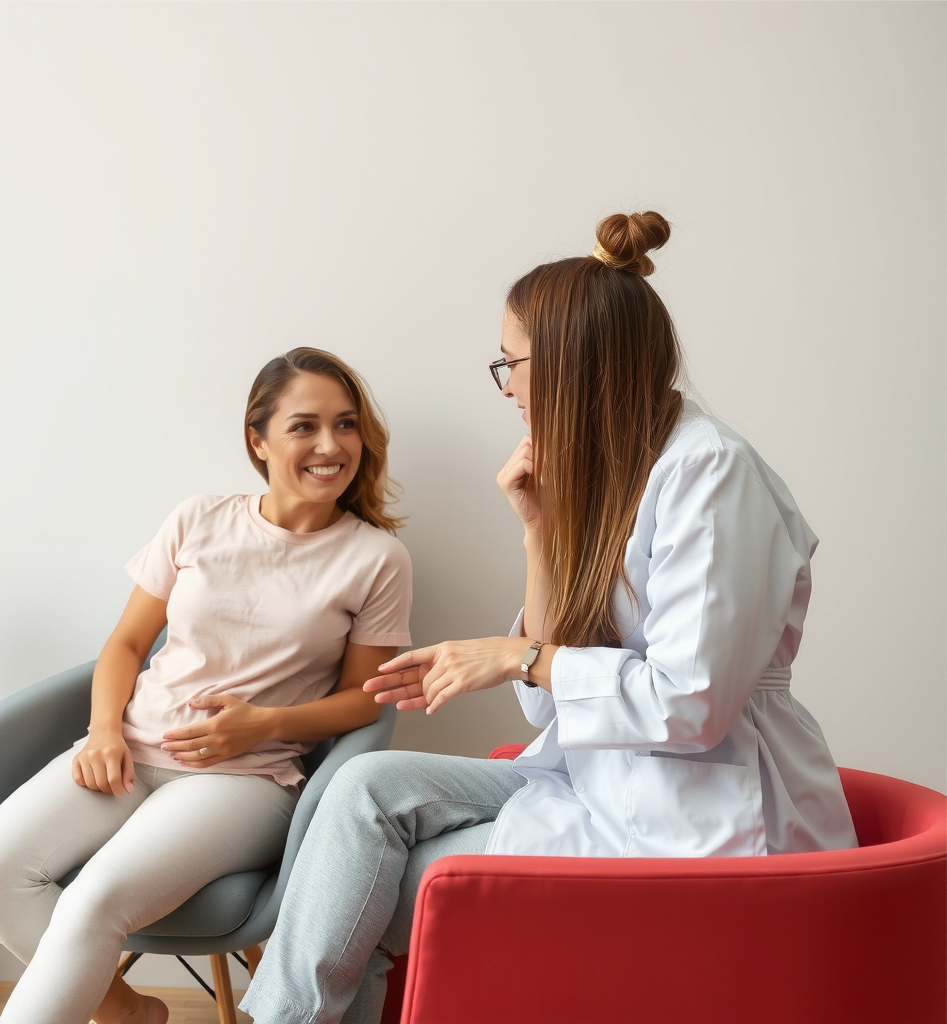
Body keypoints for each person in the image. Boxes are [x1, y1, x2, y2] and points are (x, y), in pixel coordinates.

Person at [239, 211, 858, 1024]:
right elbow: (546, 703)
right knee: (361, 791)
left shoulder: (711, 475)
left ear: (571, 363)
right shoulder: (613, 473)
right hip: (599, 779)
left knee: (372, 889)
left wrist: (516, 657)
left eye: (512, 362)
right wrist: (538, 532)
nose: (508, 388)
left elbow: (694, 705)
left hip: (695, 806)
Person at [0, 348, 412, 1024]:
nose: (330, 445)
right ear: (257, 440)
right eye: (304, 426)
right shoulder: (199, 518)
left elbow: (363, 700)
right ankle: (126, 1012)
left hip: (244, 781)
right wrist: (105, 731)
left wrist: (261, 725)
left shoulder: (375, 559)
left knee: (96, 899)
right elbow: (126, 645)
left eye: (346, 425)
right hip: (131, 753)